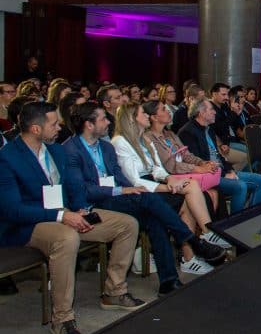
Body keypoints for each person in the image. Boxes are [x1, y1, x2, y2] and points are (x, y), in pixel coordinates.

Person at [0, 102, 146, 334]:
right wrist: (61, 216)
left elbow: (71, 187)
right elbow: (12, 210)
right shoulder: (7, 158)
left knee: (127, 224)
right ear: (36, 129)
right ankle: (62, 318)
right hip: (26, 224)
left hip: (65, 214)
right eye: (54, 124)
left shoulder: (56, 151)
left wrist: (80, 209)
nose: (60, 127)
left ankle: (114, 291)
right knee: (66, 238)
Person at [63, 103, 225, 293]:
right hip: (94, 203)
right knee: (150, 199)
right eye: (103, 119)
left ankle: (169, 281)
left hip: (118, 195)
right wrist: (123, 190)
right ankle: (194, 242)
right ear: (89, 125)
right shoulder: (71, 150)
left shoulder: (105, 147)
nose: (108, 122)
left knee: (155, 216)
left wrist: (129, 188)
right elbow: (83, 190)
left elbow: (119, 175)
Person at [110, 102, 229, 259]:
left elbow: (157, 168)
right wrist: (168, 186)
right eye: (143, 113)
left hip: (155, 182)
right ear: (132, 119)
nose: (146, 116)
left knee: (191, 192)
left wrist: (169, 178)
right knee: (189, 196)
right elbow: (134, 181)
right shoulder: (120, 141)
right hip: (139, 191)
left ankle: (194, 252)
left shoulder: (144, 139)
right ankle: (204, 236)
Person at [178, 99, 261, 213]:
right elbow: (197, 162)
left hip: (220, 171)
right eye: (211, 109)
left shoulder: (208, 129)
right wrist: (224, 174)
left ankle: (253, 214)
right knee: (240, 186)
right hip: (208, 175)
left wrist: (229, 171)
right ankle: (236, 220)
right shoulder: (187, 132)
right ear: (201, 113)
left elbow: (218, 156)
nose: (215, 112)